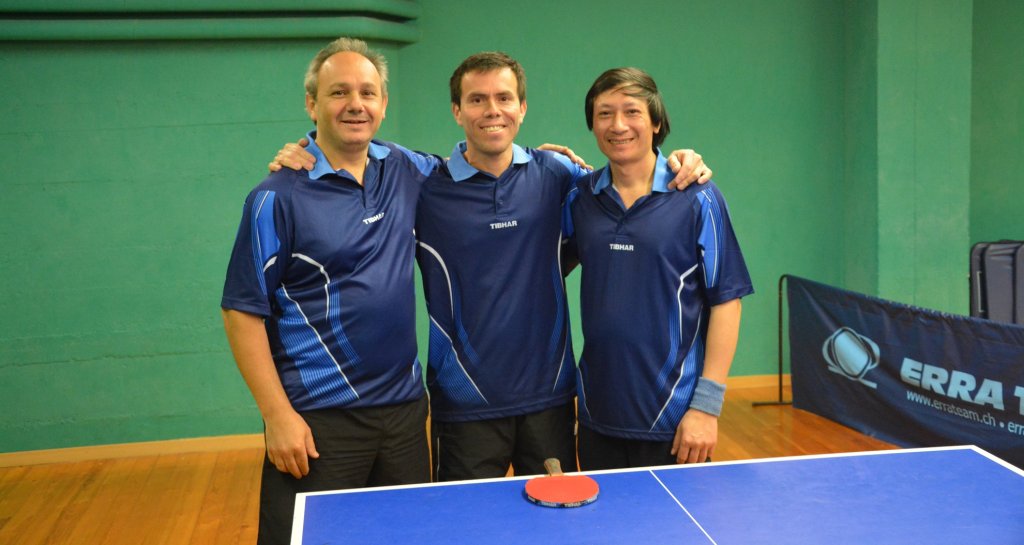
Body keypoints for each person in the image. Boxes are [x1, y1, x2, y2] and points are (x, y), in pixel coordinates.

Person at [269, 52, 713, 482]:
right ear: (457, 111)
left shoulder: (557, 175)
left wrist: (679, 159)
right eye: (477, 100)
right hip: (464, 407)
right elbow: (354, 138)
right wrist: (304, 147)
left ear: (522, 108)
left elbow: (624, 185)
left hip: (550, 400)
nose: (491, 110)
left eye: (503, 98)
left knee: (555, 526)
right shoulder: (425, 181)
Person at [221, 37, 444, 545]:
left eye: (368, 92)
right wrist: (278, 417)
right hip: (318, 422)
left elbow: (479, 163)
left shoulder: (405, 168)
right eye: (339, 92)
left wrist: (553, 161)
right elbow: (241, 313)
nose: (355, 104)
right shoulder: (275, 197)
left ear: (383, 104)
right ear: (312, 103)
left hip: (405, 413)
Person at [563, 67, 753, 470]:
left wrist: (706, 407)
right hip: (598, 413)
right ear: (592, 126)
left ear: (655, 121)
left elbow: (727, 302)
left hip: (676, 418)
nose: (618, 125)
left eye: (631, 111)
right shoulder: (579, 198)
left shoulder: (698, 197)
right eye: (604, 114)